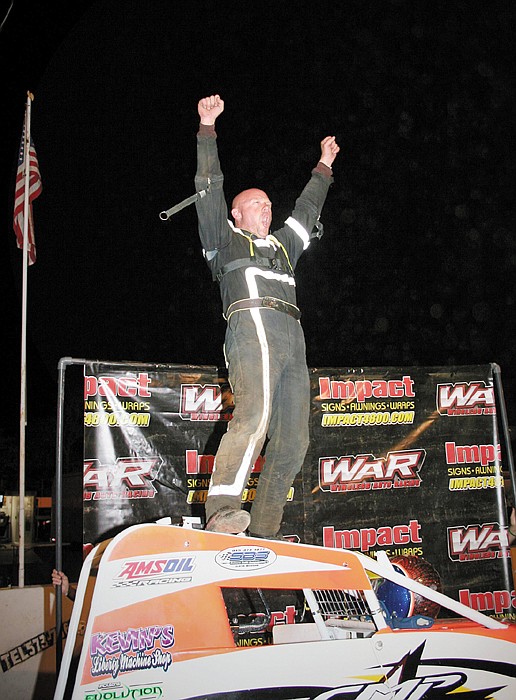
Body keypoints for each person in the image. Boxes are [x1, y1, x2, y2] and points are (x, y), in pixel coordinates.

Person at [195, 94, 339, 538]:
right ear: (237, 214)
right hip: (252, 326)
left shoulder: (283, 247)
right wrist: (207, 131)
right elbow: (210, 186)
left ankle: (264, 529)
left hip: (292, 335)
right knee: (253, 417)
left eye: (268, 204)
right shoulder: (224, 239)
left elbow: (306, 209)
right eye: (257, 203)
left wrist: (324, 167)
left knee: (294, 441)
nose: (267, 207)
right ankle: (221, 509)